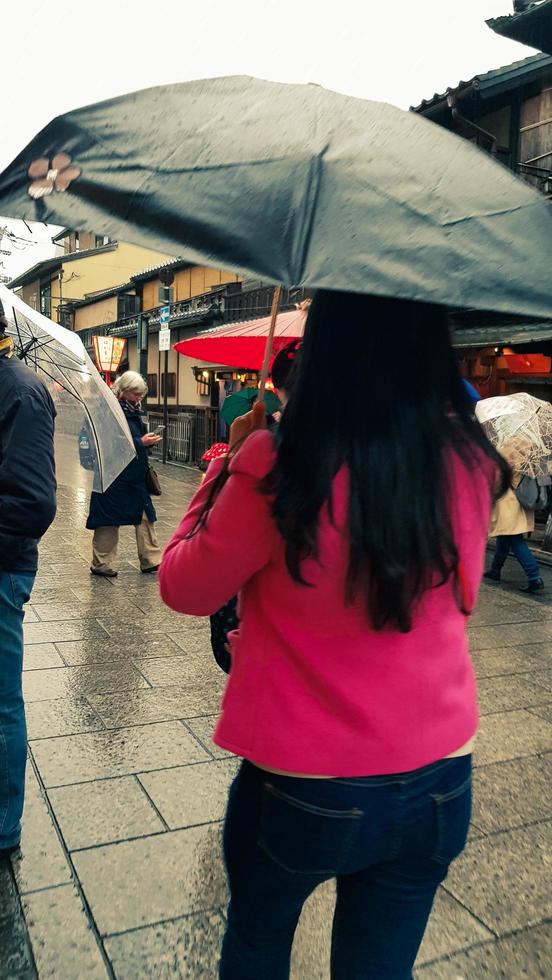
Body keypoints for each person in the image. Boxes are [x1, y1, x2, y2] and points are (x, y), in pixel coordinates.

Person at [159, 291, 509, 980]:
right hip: (441, 772)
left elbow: (185, 585)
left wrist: (235, 461)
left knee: (259, 946)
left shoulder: (284, 463)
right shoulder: (470, 460)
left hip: (302, 783)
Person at [206, 340, 301, 673]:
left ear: (278, 386)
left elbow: (186, 586)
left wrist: (231, 458)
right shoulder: (438, 462)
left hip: (272, 673)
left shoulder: (266, 456)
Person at [0, 302, 56, 859]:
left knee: (0, 700)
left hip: (3, 567)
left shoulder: (20, 391)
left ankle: (3, 825)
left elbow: (32, 503)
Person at [86, 371, 162, 576]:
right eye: (135, 394)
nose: (139, 398)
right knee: (108, 520)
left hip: (134, 475)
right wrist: (141, 443)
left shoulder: (133, 410)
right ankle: (101, 563)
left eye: (141, 394)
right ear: (124, 391)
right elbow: (109, 441)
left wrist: (146, 442)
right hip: (113, 474)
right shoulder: (109, 410)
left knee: (145, 515)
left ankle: (151, 559)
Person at [484, 439, 544, 593]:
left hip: (508, 500)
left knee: (515, 540)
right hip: (521, 499)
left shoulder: (510, 445)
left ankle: (534, 577)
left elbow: (499, 476)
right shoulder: (531, 445)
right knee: (506, 535)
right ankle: (495, 570)